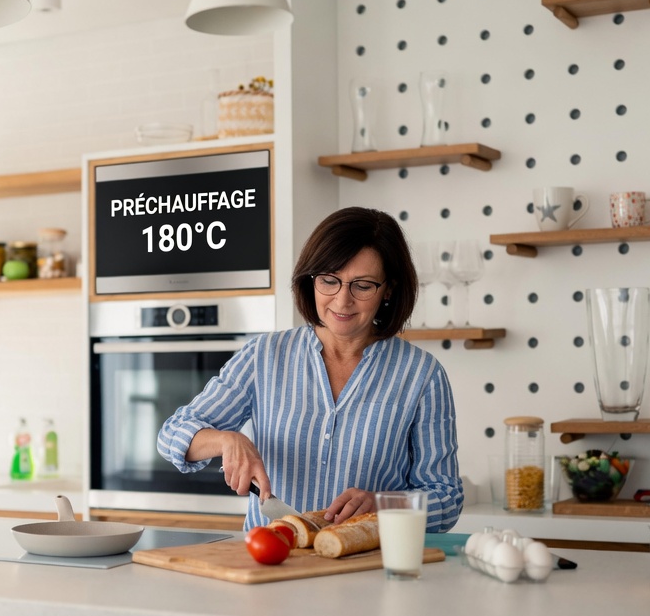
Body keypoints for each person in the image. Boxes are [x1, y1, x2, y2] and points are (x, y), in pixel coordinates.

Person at [157, 207, 463, 532]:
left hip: (367, 570)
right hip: (271, 563)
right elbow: (171, 436)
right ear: (311, 279)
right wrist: (228, 441)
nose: (342, 300)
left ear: (388, 289)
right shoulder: (265, 355)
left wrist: (383, 506)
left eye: (362, 285)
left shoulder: (422, 375)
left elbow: (446, 499)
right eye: (329, 280)